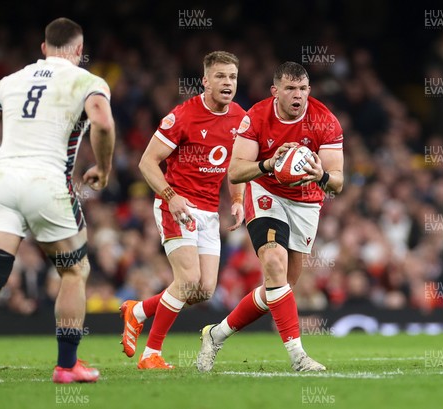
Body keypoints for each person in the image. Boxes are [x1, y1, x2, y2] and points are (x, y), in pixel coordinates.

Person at [0, 17, 115, 386]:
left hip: (1, 182)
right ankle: (66, 365)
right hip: (47, 183)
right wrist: (104, 168)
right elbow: (104, 123)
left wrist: (2, 164)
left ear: (43, 48)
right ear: (79, 50)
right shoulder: (88, 82)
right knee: (74, 271)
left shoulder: (12, 80)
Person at [197, 61, 344, 372]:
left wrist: (321, 175)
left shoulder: (325, 121)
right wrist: (268, 165)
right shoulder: (257, 117)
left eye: (303, 89)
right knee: (274, 263)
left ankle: (216, 334)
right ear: (275, 91)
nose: (298, 95)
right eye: (290, 89)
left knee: (281, 287)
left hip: (306, 203)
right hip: (267, 194)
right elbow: (236, 170)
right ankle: (298, 356)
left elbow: (338, 182)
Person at [120, 51, 245, 369]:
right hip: (177, 205)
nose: (227, 82)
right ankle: (152, 354)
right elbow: (147, 162)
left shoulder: (240, 118)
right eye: (220, 76)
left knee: (204, 290)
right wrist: (170, 196)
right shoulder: (183, 116)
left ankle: (138, 312)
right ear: (205, 81)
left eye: (231, 76)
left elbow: (236, 166)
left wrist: (239, 200)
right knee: (187, 279)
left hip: (208, 212)